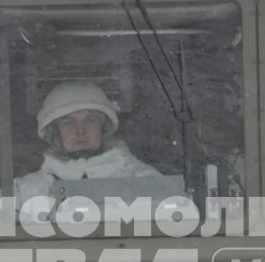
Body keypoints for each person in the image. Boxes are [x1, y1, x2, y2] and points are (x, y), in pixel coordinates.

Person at [9, 81, 164, 202]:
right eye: (68, 122)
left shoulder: (145, 180)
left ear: (103, 129)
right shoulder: (23, 192)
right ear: (55, 133)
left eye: (90, 120)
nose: (80, 130)